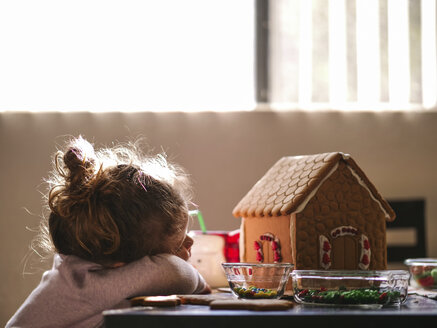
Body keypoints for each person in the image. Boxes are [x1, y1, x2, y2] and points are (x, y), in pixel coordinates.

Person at [7, 136, 210, 328]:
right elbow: (174, 272)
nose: (190, 242)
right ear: (123, 265)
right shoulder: (91, 284)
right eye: (178, 244)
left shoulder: (84, 272)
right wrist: (201, 285)